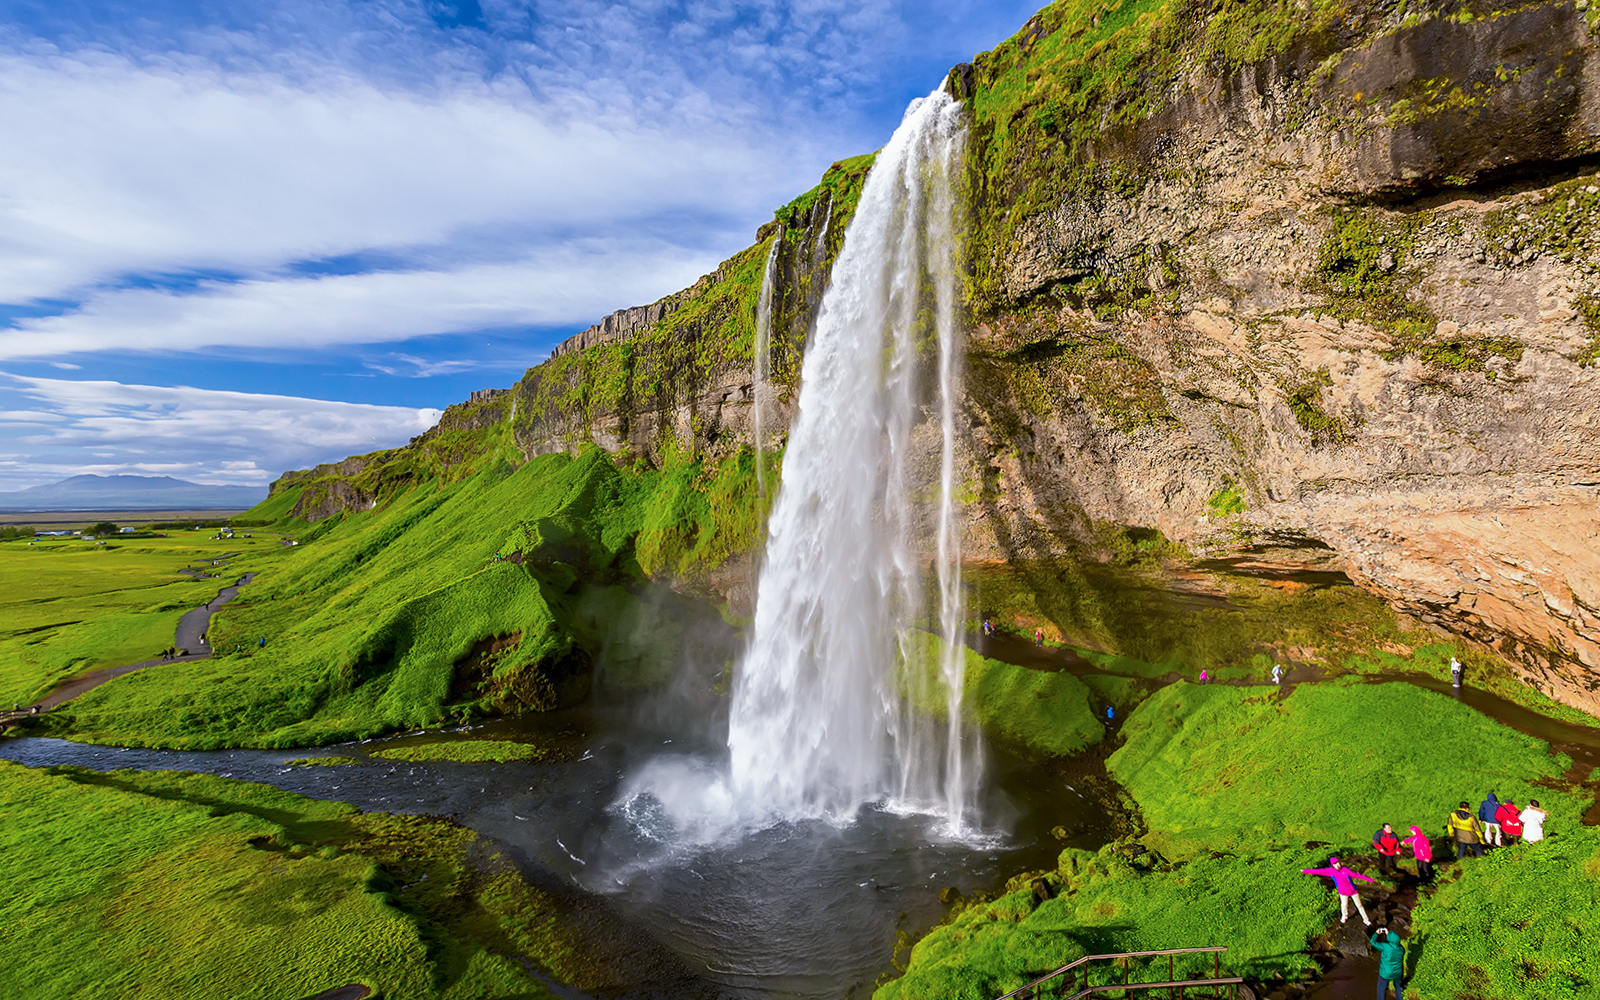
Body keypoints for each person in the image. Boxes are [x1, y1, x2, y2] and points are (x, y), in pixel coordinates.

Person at [1300, 856, 1374, 925]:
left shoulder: (1345, 869)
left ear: (1340, 862)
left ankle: (1366, 919)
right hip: (1343, 892)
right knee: (1344, 905)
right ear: (1332, 865)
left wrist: (1369, 879)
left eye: (1337, 862)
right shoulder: (1330, 871)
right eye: (1335, 864)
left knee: (1359, 905)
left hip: (1353, 890)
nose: (1337, 865)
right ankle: (1344, 917)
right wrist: (1305, 871)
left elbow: (1356, 875)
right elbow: (1318, 871)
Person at [1370, 927, 1406, 999]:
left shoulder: (1385, 947)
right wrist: (1388, 934)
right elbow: (1394, 942)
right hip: (1397, 973)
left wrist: (1377, 933)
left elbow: (1372, 942)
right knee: (1398, 988)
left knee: (1381, 989)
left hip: (1385, 973)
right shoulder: (1401, 949)